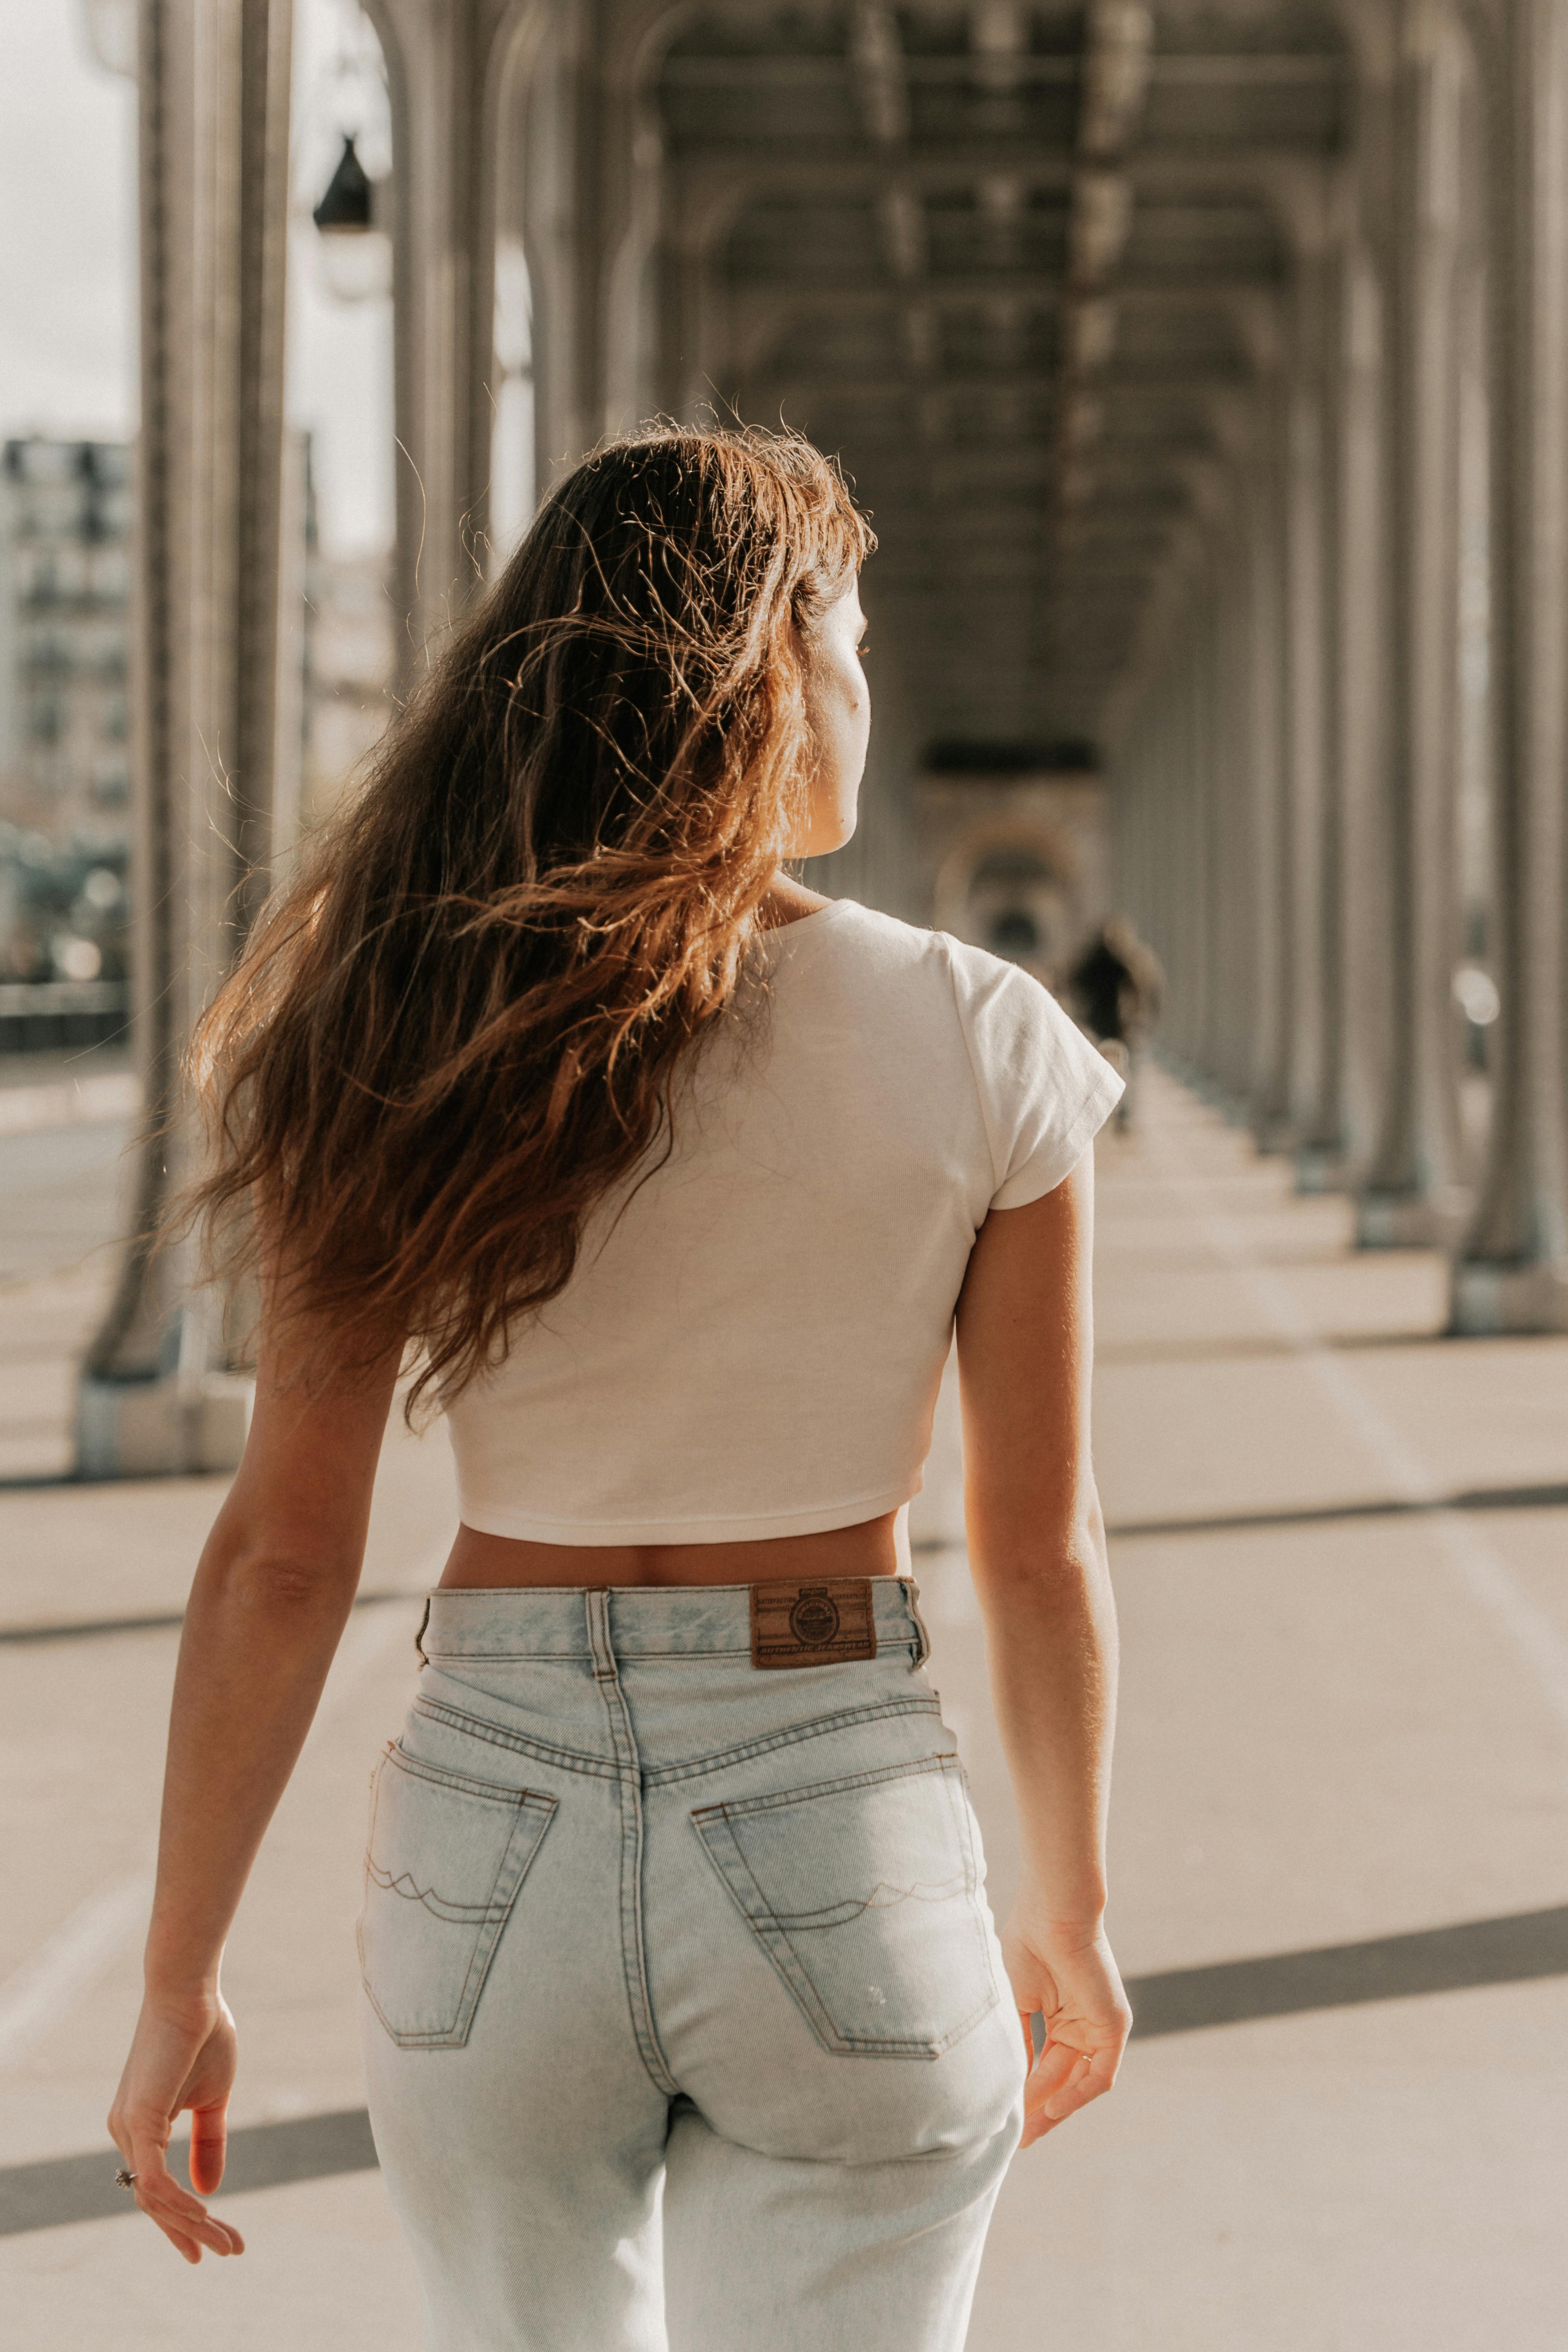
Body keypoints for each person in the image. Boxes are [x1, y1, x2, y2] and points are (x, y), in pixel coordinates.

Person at [108, 427, 1131, 2350]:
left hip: (494, 1821)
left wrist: (179, 1973)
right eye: (850, 631)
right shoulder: (979, 1034)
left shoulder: (397, 1019)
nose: (864, 681)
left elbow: (282, 1553)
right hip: (831, 1771)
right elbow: (1036, 1544)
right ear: (772, 662)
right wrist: (1066, 1906)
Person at [1065, 916, 1163, 1131]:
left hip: (1106, 1021)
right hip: (1117, 1022)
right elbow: (1144, 990)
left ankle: (1111, 1110)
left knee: (1107, 1065)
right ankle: (1119, 1111)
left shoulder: (1096, 960)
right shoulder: (1124, 961)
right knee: (1123, 1067)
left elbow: (1073, 982)